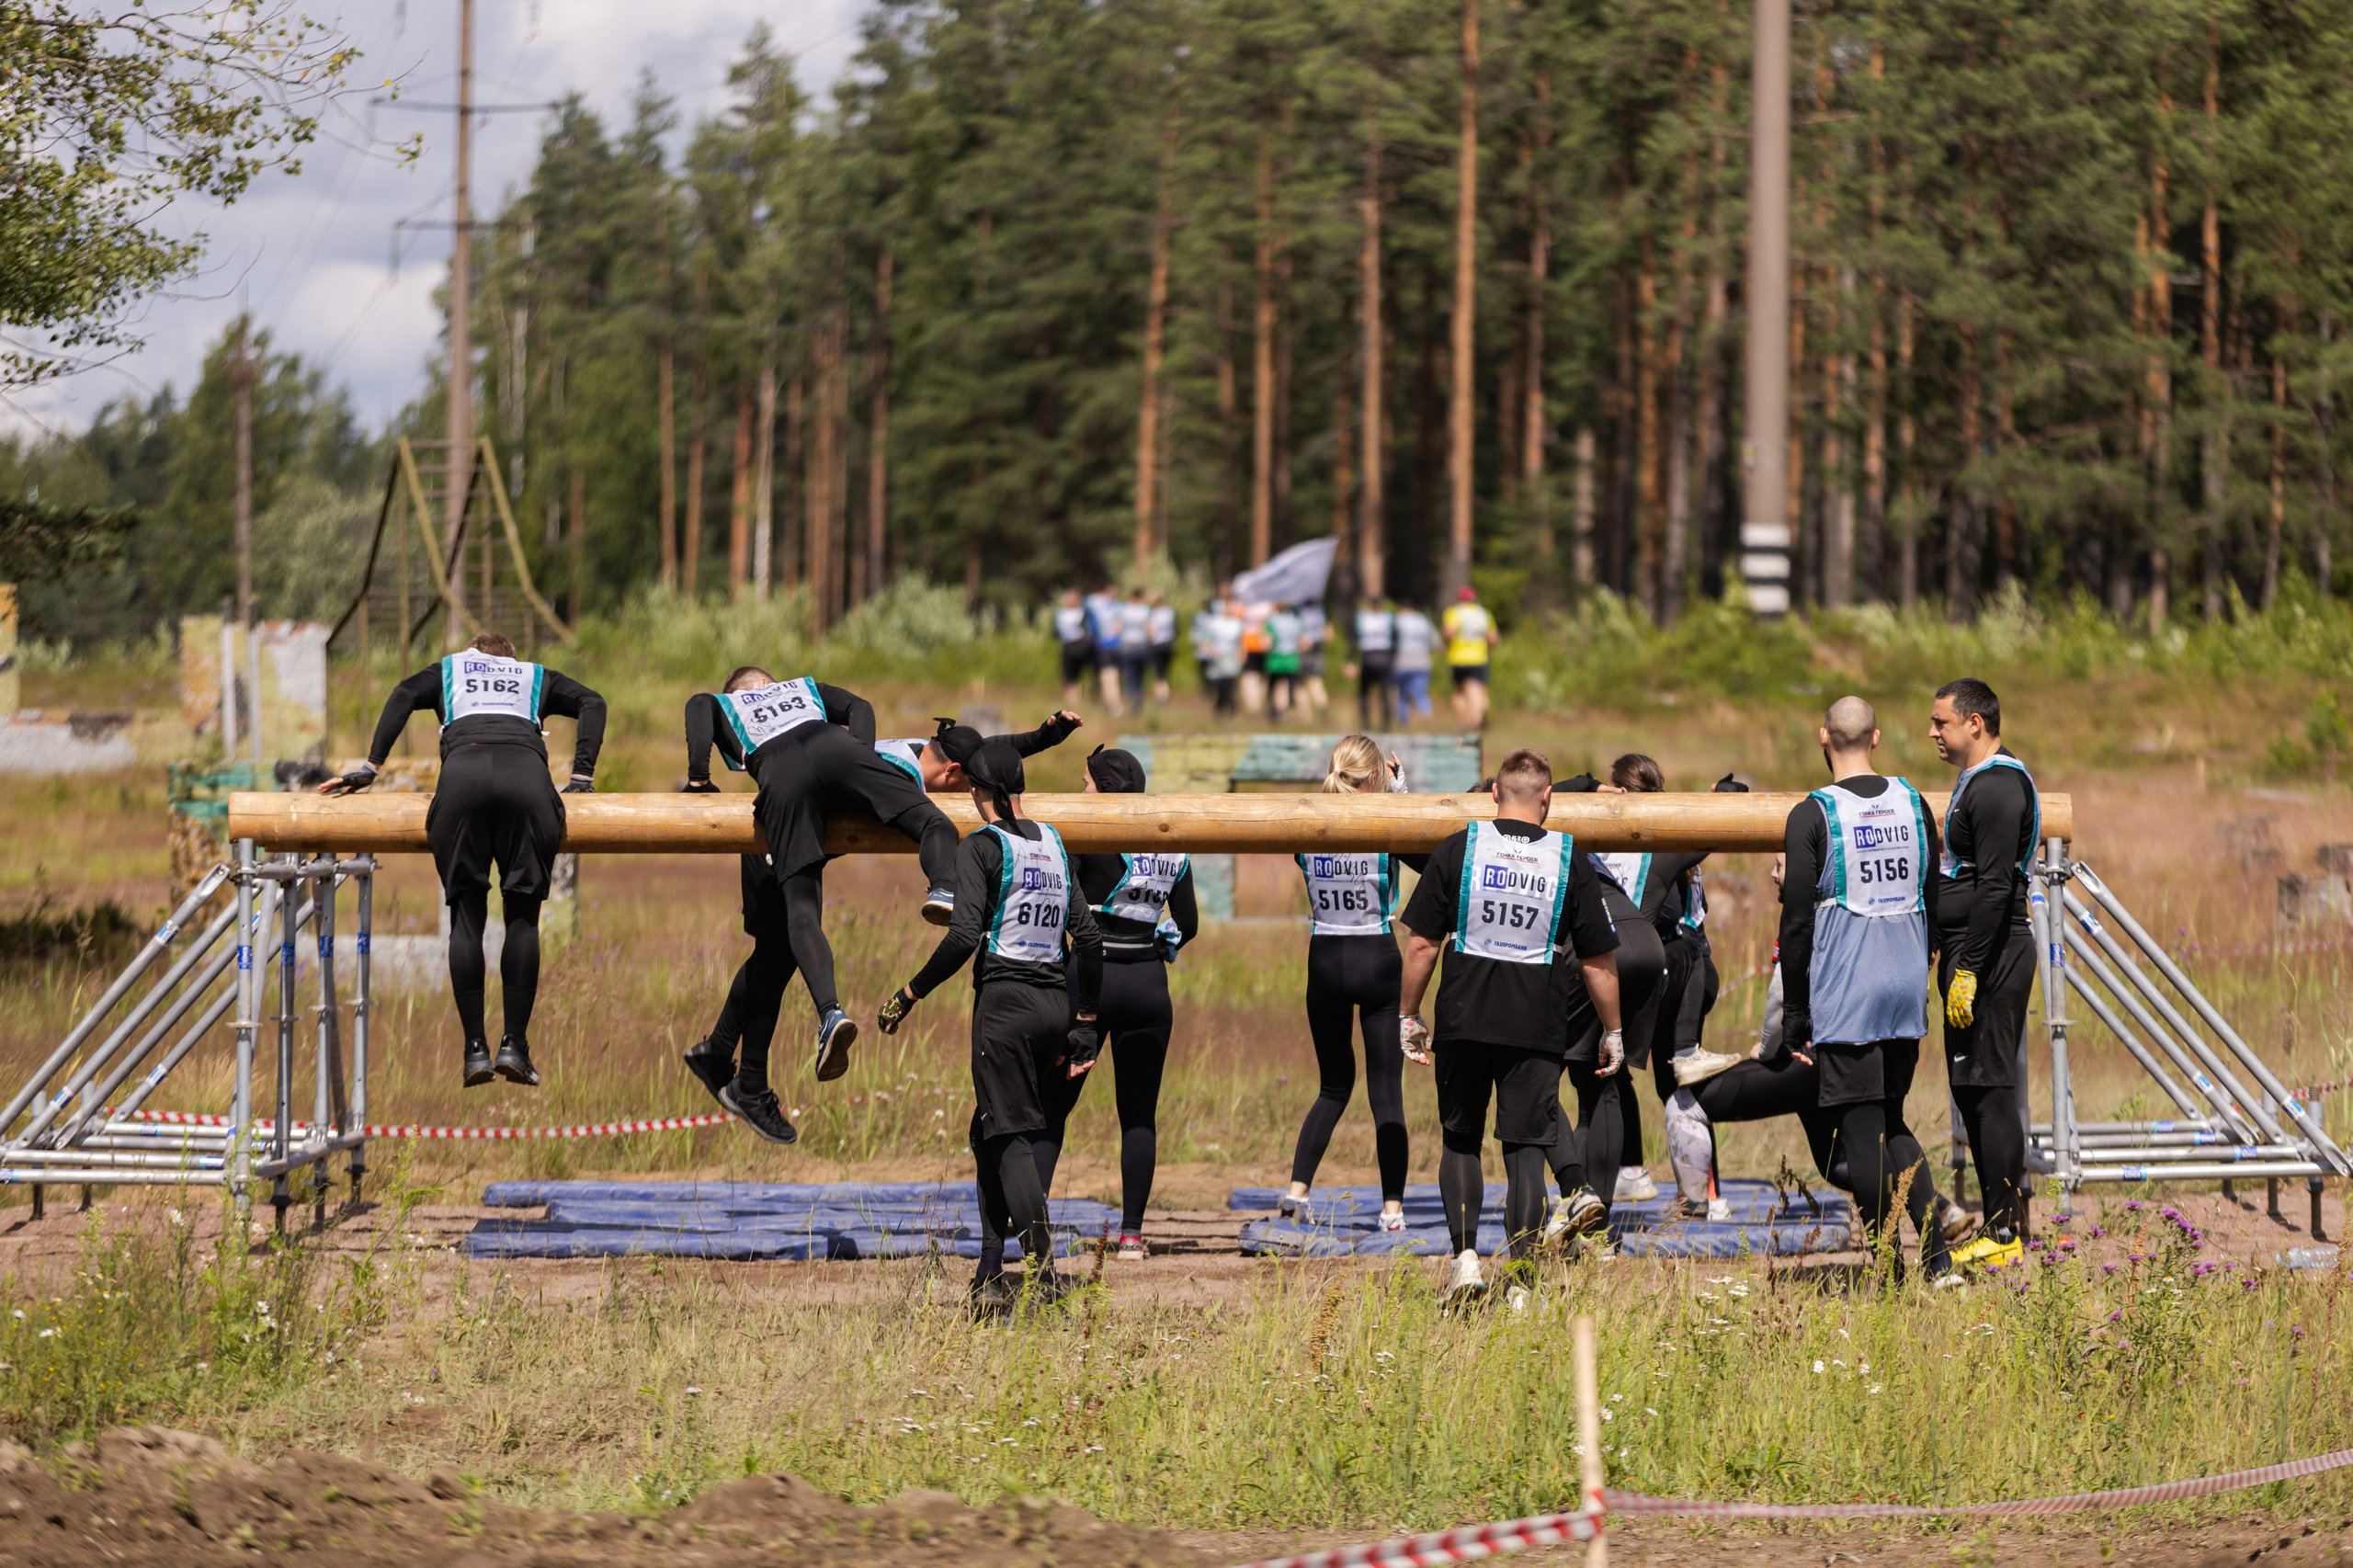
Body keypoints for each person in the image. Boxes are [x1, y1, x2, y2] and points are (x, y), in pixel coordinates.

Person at [683, 706, 1086, 1142]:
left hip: (790, 818)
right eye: (970, 784)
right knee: (777, 957)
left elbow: (986, 752)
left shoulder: (919, 748)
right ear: (953, 771)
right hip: (776, 838)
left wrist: (1043, 737)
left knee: (777, 957)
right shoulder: (897, 773)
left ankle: (722, 1057)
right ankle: (741, 1075)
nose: (973, 792)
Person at [321, 631, 605, 1090]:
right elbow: (593, 702)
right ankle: (515, 1045)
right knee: (523, 917)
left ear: (474, 654)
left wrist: (372, 766)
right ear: (511, 659)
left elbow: (403, 693)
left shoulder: (450, 670)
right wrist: (583, 776)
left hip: (461, 782)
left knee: (466, 917)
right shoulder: (534, 676)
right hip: (526, 781)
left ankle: (475, 1050)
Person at [877, 742, 1103, 1314]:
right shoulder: (1054, 842)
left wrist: (909, 994)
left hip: (1005, 1007)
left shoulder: (981, 846)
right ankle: (987, 1270)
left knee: (1011, 1137)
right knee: (989, 1132)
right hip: (1055, 1005)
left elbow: (961, 938)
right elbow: (1089, 938)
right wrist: (1084, 1021)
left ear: (979, 790)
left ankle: (1044, 1273)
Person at [1398, 748, 1623, 1308]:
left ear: (1495, 794)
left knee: (1460, 1140)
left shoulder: (1459, 847)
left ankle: (1465, 1262)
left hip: (1463, 1018)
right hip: (1535, 1023)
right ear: (1547, 798)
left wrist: (1408, 1014)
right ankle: (1522, 1283)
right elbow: (1598, 961)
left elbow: (1422, 944)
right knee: (1525, 1147)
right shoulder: (1570, 858)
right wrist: (1613, 1029)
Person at [681, 667, 961, 1087]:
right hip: (839, 748)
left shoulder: (730, 704)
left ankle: (830, 1013)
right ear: (770, 683)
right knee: (933, 822)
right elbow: (860, 707)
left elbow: (698, 703)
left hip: (780, 775)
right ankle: (943, 888)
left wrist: (699, 779)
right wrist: (862, 760)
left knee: (802, 909)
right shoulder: (804, 687)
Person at [1775, 695, 1957, 1285]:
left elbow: (1796, 921)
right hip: (1904, 987)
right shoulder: (1913, 801)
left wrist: (1796, 1010)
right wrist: (1922, 961)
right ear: (1875, 738)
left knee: (1860, 1132)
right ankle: (1938, 1261)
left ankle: (1893, 1272)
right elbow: (1932, 890)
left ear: (1823, 737)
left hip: (1847, 990)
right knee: (1893, 1121)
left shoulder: (1812, 814)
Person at [1029, 745, 1198, 1259]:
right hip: (1148, 983)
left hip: (1089, 979)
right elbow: (1188, 923)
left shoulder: (1088, 833)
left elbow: (1063, 910)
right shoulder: (1170, 841)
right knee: (1139, 1116)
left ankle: (1031, 1230)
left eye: (1086, 782)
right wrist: (1163, 939)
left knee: (1053, 1106)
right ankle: (1131, 1236)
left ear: (1104, 789)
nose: (1081, 791)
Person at [1585, 756, 1747, 1206]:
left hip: (1680, 971)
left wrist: (1719, 795)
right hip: (1652, 973)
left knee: (1673, 1082)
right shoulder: (1645, 840)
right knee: (1630, 1076)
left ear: (1619, 793)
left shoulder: (1657, 842)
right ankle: (1639, 1172)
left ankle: (1703, 1195)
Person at [1280, 736, 1419, 1233]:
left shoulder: (1308, 822)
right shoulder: (1385, 822)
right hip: (1376, 957)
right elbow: (1428, 857)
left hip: (1324, 959)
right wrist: (1400, 796)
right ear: (1376, 777)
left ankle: (1296, 1193)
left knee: (1333, 1086)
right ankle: (1392, 1212)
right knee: (1386, 1094)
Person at [1929, 676, 2040, 1274]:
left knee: (1992, 1087)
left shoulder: (1998, 786)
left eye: (1941, 722)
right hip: (1971, 953)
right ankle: (2000, 1226)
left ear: (1975, 723)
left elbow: (1997, 886)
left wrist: (1969, 968)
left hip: (1993, 956)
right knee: (1970, 1087)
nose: (1932, 732)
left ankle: (2004, 1230)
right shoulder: (1977, 779)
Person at [1442, 585, 1498, 730]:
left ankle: (1464, 722)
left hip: (1458, 658)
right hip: (1479, 658)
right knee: (1477, 689)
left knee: (1459, 692)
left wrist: (1446, 643)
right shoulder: (1484, 614)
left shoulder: (1454, 612)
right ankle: (1476, 720)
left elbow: (1449, 633)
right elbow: (1493, 639)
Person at [1194, 592, 1244, 717]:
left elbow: (1241, 642)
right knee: (1220, 686)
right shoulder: (1213, 623)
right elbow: (1203, 641)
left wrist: (1242, 655)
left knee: (1230, 684)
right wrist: (1212, 651)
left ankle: (1228, 708)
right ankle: (1221, 707)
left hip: (1232, 658)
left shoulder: (1237, 623)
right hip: (1217, 659)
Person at [1353, 597, 1397, 727]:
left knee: (1366, 692)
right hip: (1383, 657)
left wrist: (1352, 660)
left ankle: (1367, 722)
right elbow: (1395, 639)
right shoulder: (1388, 617)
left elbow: (1354, 639)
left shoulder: (1363, 618)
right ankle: (1384, 723)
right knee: (1383, 692)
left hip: (1369, 656)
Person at [1392, 603, 1436, 724]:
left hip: (1402, 662)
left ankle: (1403, 723)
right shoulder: (1424, 621)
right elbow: (1435, 642)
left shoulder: (1398, 620)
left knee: (1402, 694)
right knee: (1421, 694)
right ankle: (1427, 720)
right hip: (1422, 662)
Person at [1086, 585, 1125, 715]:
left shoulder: (1099, 607)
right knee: (1114, 674)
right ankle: (1113, 700)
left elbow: (1087, 602)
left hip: (1104, 645)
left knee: (1107, 675)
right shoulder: (1121, 607)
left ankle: (1112, 702)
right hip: (1118, 645)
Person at [1053, 589, 1094, 710]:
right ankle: (1072, 701)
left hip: (1079, 645)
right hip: (1070, 645)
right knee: (1070, 675)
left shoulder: (1075, 613)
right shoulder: (1064, 613)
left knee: (1077, 674)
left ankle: (1077, 700)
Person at [1264, 602, 1302, 720]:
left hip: (1276, 657)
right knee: (1289, 685)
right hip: (1292, 657)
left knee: (1278, 685)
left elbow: (1267, 643)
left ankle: (1278, 712)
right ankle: (1289, 710)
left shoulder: (1273, 621)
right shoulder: (1295, 621)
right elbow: (1303, 641)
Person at [1118, 585, 1153, 715]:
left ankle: (1132, 703)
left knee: (1130, 676)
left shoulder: (1124, 609)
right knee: (1140, 677)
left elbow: (1117, 628)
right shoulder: (1145, 610)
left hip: (1127, 647)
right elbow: (1150, 629)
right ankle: (1138, 704)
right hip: (1142, 646)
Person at [1299, 599, 1331, 715]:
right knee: (1316, 681)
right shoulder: (1320, 611)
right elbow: (1328, 633)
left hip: (1302, 650)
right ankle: (1323, 710)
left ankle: (1305, 715)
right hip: (1317, 649)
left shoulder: (1298, 610)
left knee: (1300, 684)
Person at [1147, 591, 1178, 705]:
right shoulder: (1170, 612)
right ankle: (1164, 691)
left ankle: (1161, 694)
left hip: (1157, 645)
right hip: (1168, 644)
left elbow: (1151, 630)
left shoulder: (1153, 614)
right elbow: (1176, 628)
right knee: (1165, 670)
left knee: (1158, 671)